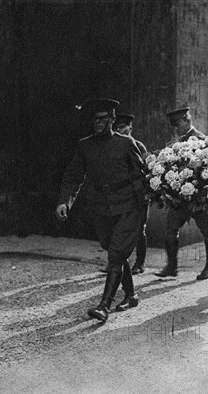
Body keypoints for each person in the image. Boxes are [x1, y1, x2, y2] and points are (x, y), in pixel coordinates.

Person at [56, 99, 147, 321]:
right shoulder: (85, 146)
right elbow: (73, 176)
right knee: (114, 250)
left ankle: (104, 306)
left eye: (103, 118)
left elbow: (140, 176)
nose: (98, 123)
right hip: (100, 208)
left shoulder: (126, 143)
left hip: (127, 206)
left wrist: (142, 210)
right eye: (95, 119)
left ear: (112, 119)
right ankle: (131, 294)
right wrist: (64, 202)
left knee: (116, 254)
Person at [155, 107, 208, 280]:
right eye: (174, 125)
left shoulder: (201, 139)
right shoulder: (175, 142)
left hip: (198, 198)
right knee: (170, 230)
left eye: (178, 123)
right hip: (180, 199)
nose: (176, 128)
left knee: (207, 231)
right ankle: (172, 267)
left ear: (187, 119)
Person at [113, 112, 149, 275]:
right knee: (118, 230)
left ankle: (140, 263)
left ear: (130, 128)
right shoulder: (113, 145)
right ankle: (116, 262)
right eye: (117, 127)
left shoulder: (139, 146)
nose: (119, 130)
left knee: (139, 229)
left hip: (139, 194)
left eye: (123, 127)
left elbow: (146, 170)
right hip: (122, 195)